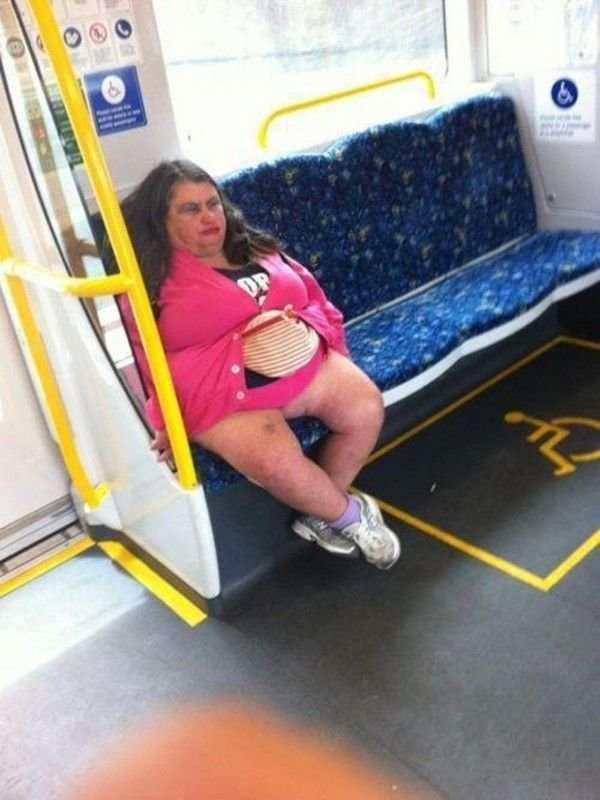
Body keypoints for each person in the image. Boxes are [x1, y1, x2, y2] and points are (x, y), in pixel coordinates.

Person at [110, 159, 400, 569]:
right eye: (190, 209)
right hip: (222, 392)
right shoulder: (151, 282)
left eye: (213, 203)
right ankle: (351, 517)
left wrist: (336, 346)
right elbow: (145, 356)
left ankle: (321, 514)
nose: (209, 216)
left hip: (302, 363)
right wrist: (164, 421)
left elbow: (312, 294)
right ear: (162, 221)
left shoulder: (254, 247)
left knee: (365, 407)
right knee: (275, 462)